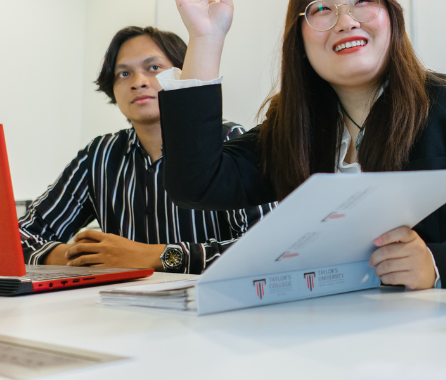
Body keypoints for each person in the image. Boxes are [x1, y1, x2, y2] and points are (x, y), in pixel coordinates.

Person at [156, 0, 446, 291]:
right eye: (321, 9)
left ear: (391, 17)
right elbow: (196, 185)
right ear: (300, 39)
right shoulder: (291, 125)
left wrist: (435, 264)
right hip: (325, 325)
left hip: (440, 329)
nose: (345, 21)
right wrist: (206, 39)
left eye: (362, 1)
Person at [19, 26, 271, 274]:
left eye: (153, 68)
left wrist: (156, 256)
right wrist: (82, 256)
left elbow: (267, 247)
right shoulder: (99, 155)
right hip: (121, 299)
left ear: (182, 75)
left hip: (210, 297)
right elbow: (20, 235)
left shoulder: (229, 140)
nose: (138, 83)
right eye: (124, 74)